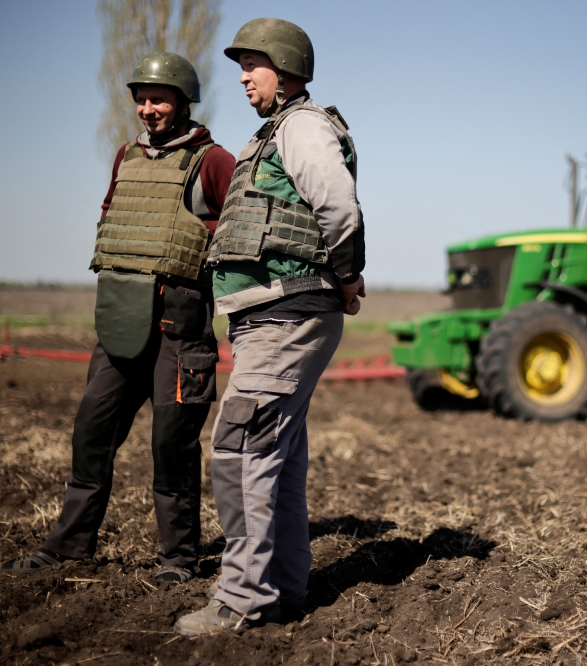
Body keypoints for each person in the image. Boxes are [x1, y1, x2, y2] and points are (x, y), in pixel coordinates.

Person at [1, 52, 236, 583]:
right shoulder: (125, 157)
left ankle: (177, 559)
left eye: (159, 98)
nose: (148, 108)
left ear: (182, 101)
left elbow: (241, 232)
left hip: (181, 331)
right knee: (91, 430)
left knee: (171, 445)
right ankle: (68, 546)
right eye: (141, 99)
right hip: (121, 324)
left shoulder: (214, 161)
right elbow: (112, 216)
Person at [174, 18, 365, 634]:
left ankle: (241, 600)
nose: (241, 75)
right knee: (274, 459)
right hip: (277, 313)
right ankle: (280, 590)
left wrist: (347, 273)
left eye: (251, 63)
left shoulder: (302, 127)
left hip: (287, 311)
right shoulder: (279, 131)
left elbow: (338, 205)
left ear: (282, 70)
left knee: (238, 453)